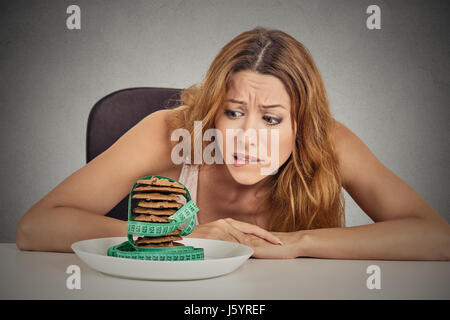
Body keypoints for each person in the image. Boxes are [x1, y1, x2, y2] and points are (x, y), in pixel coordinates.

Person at [16, 27, 449, 260]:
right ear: (213, 110)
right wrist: (179, 235)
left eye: (272, 119)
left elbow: (436, 238)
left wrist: (303, 243)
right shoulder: (169, 131)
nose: (248, 136)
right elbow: (36, 227)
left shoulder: (329, 141)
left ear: (301, 127)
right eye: (235, 111)